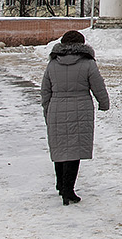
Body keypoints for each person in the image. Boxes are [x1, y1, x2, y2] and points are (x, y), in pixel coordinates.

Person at [41, 29, 110, 206]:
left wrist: (47, 110)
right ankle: (68, 190)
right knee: (74, 149)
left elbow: (45, 90)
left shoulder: (52, 64)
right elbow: (98, 86)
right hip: (81, 108)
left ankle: (60, 185)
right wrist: (104, 103)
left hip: (56, 107)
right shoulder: (88, 63)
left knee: (60, 148)